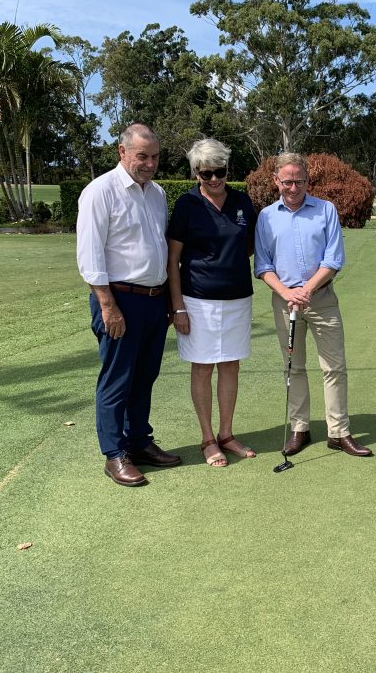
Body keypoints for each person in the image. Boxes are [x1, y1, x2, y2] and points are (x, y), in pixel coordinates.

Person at [76, 124, 182, 486]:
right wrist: (107, 305)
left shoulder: (157, 193)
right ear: (122, 152)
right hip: (119, 300)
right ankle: (114, 453)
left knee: (145, 376)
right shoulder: (100, 192)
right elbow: (90, 256)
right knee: (117, 379)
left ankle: (138, 441)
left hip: (153, 300)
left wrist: (169, 299)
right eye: (142, 156)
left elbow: (160, 249)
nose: (149, 163)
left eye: (154, 157)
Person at [254, 153, 373, 459]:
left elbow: (333, 260)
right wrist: (286, 292)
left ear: (308, 181)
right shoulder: (266, 216)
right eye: (287, 181)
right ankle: (300, 428)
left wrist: (306, 289)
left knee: (334, 367)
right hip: (283, 302)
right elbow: (263, 264)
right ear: (276, 181)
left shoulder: (325, 210)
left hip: (322, 299)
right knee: (293, 367)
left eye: (300, 181)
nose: (294, 187)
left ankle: (339, 432)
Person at [167, 138, 258, 467]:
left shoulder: (242, 202)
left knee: (231, 364)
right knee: (203, 367)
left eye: (220, 171)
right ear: (196, 173)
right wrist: (177, 307)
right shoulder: (186, 205)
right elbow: (172, 259)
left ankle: (227, 434)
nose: (215, 179)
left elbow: (247, 245)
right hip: (197, 300)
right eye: (207, 173)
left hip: (237, 298)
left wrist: (227, 261)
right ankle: (207, 439)